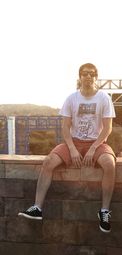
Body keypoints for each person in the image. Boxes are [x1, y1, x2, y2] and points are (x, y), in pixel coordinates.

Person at [18, 63, 116, 233]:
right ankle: (37, 208)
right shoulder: (72, 98)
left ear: (96, 77)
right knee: (48, 162)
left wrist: (93, 148)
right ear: (79, 77)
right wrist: (71, 148)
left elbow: (107, 128)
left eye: (92, 74)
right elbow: (65, 127)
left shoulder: (103, 98)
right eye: (85, 73)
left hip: (97, 143)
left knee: (109, 164)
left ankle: (104, 211)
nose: (88, 76)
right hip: (74, 141)